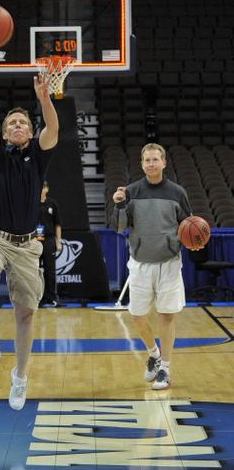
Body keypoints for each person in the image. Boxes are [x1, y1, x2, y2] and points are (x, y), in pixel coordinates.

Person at [0, 73, 58, 411]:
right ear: (7, 132)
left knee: (25, 315)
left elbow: (54, 130)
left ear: (29, 131)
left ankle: (20, 376)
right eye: (13, 123)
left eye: (23, 122)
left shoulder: (38, 154)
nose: (18, 125)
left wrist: (44, 98)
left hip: (26, 244)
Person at [111, 143, 191, 391]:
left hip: (168, 263)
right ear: (142, 164)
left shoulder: (177, 192)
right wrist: (119, 204)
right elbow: (118, 227)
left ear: (164, 163)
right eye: (147, 160)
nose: (151, 164)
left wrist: (191, 242)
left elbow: (189, 225)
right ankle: (154, 353)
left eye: (156, 159)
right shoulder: (131, 191)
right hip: (140, 263)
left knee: (166, 316)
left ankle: (165, 368)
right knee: (137, 317)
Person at [37, 181, 62, 307]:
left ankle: (51, 297)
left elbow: (57, 224)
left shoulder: (52, 204)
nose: (41, 189)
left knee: (50, 270)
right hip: (35, 240)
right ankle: (37, 298)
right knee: (35, 270)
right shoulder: (32, 204)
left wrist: (58, 242)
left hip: (49, 239)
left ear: (47, 189)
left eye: (43, 186)